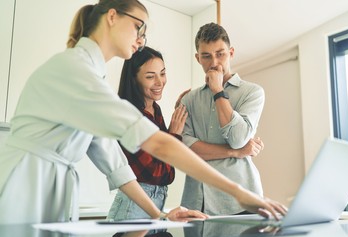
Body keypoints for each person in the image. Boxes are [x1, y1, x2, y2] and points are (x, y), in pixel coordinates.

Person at [0, 0, 286, 225]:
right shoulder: (75, 70)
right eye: (139, 28)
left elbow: (115, 165)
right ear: (112, 17)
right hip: (26, 183)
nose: (141, 38)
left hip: (51, 190)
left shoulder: (92, 78)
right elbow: (160, 143)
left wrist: (159, 214)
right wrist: (240, 192)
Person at [180, 22, 267, 215]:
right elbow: (186, 150)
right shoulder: (189, 100)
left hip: (241, 202)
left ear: (231, 53)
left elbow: (238, 139)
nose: (214, 63)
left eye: (221, 54)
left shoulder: (252, 93)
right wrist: (235, 153)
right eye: (206, 56)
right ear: (198, 58)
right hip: (196, 201)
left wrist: (218, 91)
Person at [107, 46, 189, 220]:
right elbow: (158, 173)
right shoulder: (130, 116)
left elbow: (163, 157)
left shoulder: (154, 109)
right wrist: (173, 135)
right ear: (134, 79)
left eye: (163, 73)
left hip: (155, 202)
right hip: (133, 206)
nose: (160, 82)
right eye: (150, 76)